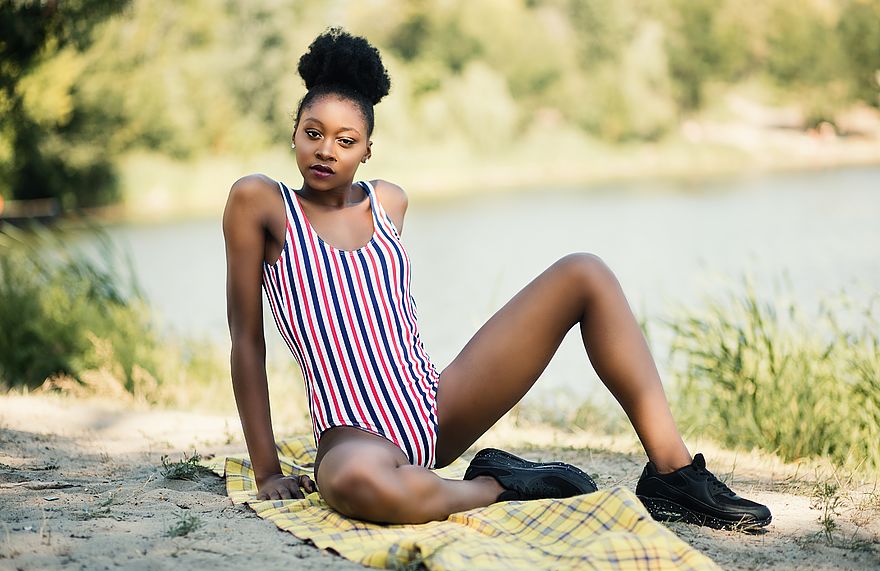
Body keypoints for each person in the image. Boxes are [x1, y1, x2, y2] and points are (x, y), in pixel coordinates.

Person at [222, 27, 772, 530]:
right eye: (312, 133)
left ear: (368, 150)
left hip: (437, 404)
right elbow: (247, 339)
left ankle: (673, 476)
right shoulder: (260, 202)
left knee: (585, 272)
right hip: (353, 436)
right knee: (352, 486)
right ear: (293, 134)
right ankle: (498, 485)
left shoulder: (388, 202)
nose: (325, 150)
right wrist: (268, 471)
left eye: (345, 140)